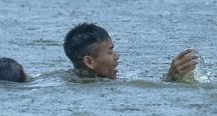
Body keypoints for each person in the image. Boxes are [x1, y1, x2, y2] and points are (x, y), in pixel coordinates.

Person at [63, 23, 198, 81]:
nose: (117, 57)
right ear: (89, 61)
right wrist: (171, 77)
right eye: (110, 52)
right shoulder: (102, 86)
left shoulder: (72, 78)